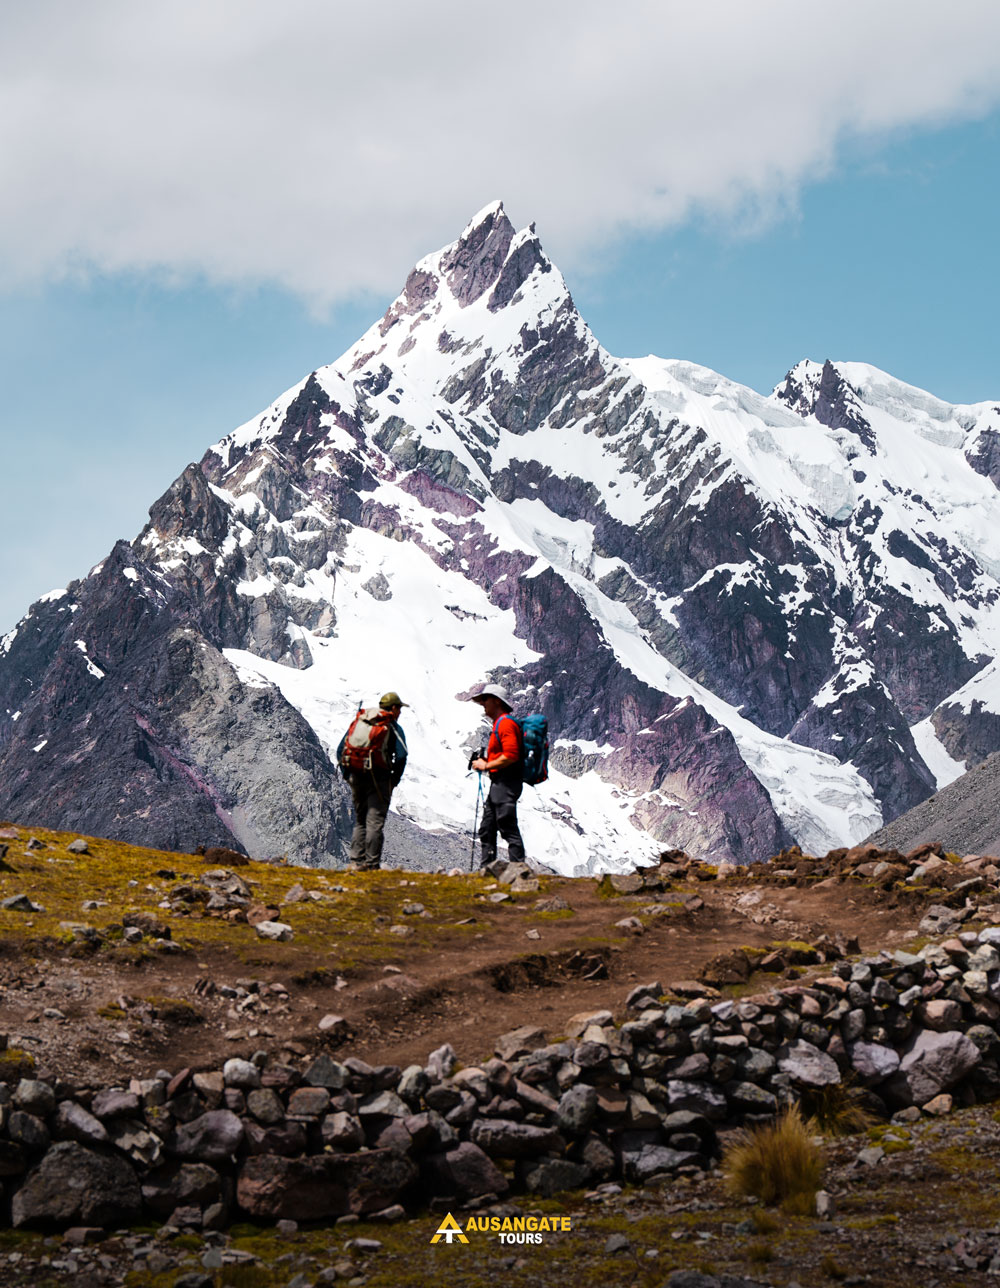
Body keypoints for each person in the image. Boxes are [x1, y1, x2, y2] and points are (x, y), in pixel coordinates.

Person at [337, 692, 408, 870]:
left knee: (360, 820)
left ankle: (355, 862)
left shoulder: (363, 720)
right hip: (379, 779)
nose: (400, 712)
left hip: (356, 776)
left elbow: (341, 749)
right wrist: (393, 781)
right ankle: (371, 865)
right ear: (393, 708)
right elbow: (401, 755)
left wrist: (348, 774)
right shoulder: (392, 726)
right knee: (374, 822)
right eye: (399, 708)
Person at [470, 683, 525, 867]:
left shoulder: (506, 724)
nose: (483, 704)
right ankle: (488, 871)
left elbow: (511, 754)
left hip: (506, 784)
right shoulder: (500, 724)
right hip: (500, 784)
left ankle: (519, 872)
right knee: (488, 828)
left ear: (496, 701)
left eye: (485, 699)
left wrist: (486, 764)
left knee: (506, 825)